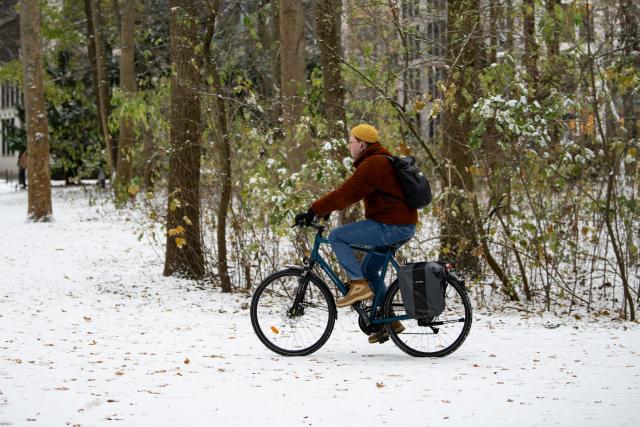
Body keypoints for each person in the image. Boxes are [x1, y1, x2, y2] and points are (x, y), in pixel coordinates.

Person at [295, 124, 417, 343]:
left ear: (362, 144)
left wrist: (313, 210)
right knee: (369, 269)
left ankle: (358, 286)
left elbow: (346, 193)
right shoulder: (379, 160)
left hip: (393, 226)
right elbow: (351, 193)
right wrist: (328, 209)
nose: (349, 145)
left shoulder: (373, 164)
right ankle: (389, 320)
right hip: (399, 224)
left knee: (337, 236)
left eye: (351, 141)